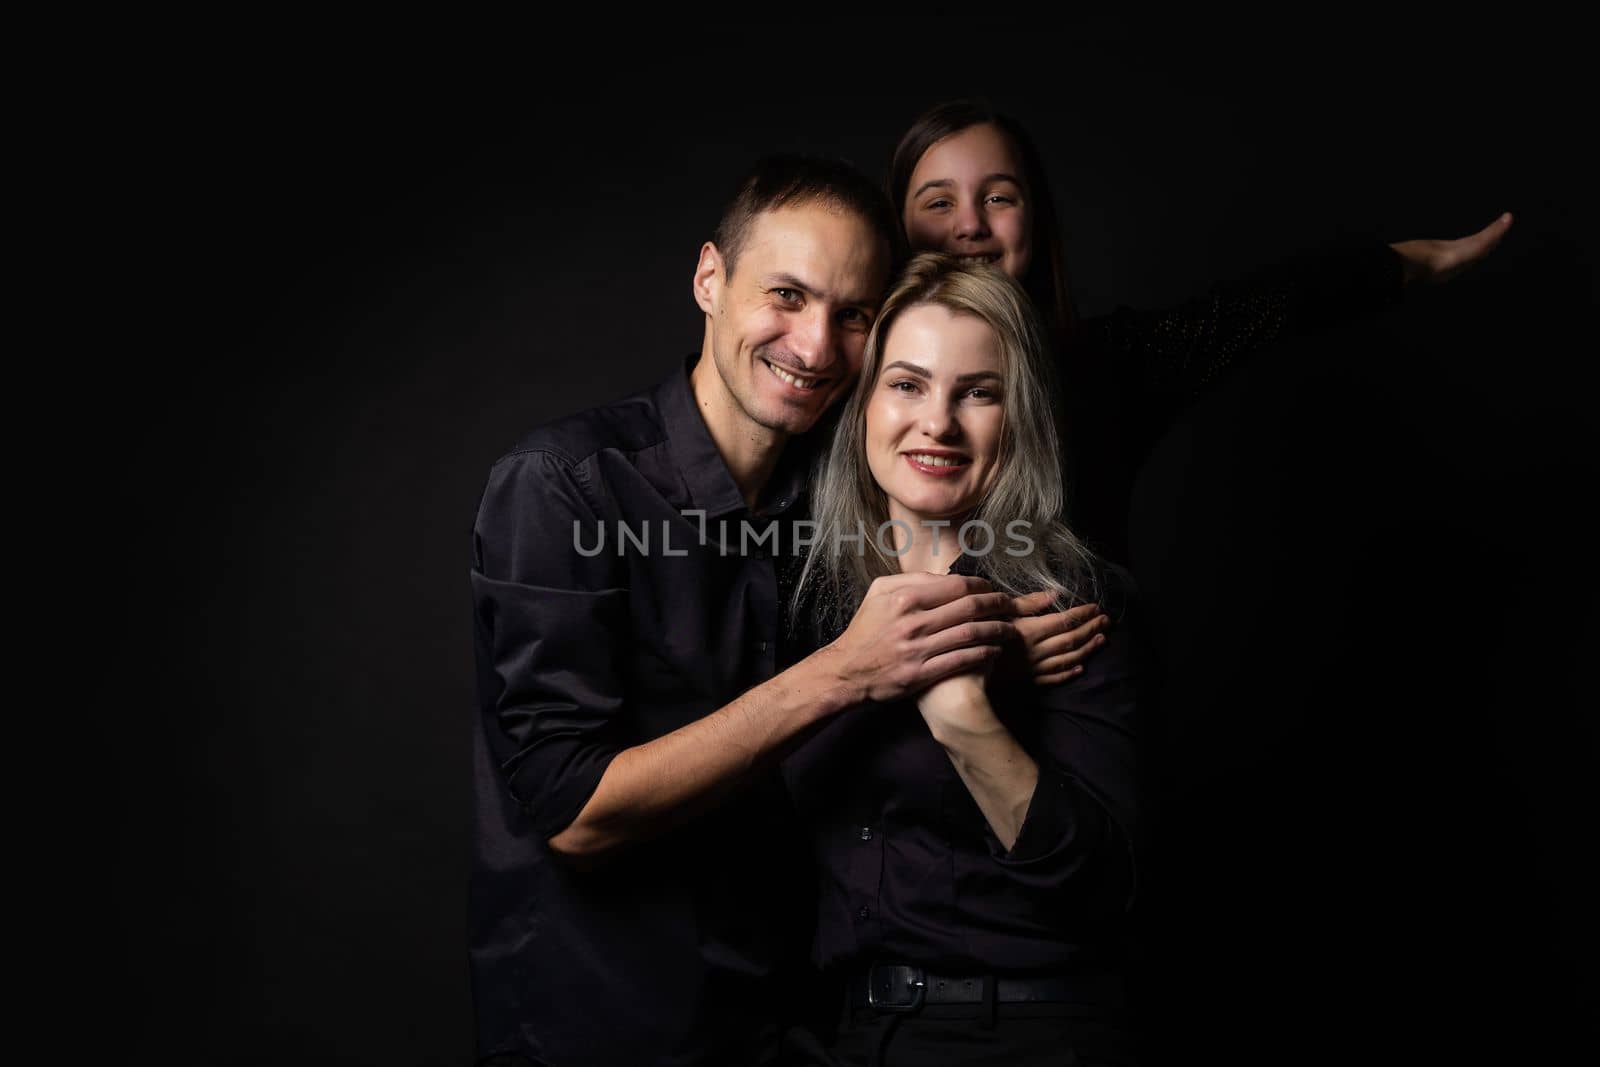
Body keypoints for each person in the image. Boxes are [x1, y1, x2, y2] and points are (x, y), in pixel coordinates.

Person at [469, 157, 1042, 1066]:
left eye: (852, 315)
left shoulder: (841, 496)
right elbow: (572, 810)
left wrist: (1000, 643)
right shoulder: (567, 485)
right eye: (786, 294)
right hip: (607, 1031)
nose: (815, 347)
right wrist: (846, 671)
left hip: (794, 1025)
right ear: (709, 280)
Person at [887, 100, 1513, 680]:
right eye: (939, 202)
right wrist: (977, 649)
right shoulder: (855, 375)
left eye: (999, 197)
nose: (970, 224)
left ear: (1036, 217)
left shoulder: (1108, 363)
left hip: (1088, 702)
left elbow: (1263, 307)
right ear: (897, 224)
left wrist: (1409, 262)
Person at [782, 253, 1144, 1065]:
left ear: (1019, 418)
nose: (937, 423)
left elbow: (1104, 887)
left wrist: (962, 712)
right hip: (848, 1036)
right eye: (907, 384)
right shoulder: (810, 604)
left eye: (978, 393)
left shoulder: (1071, 596)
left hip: (1027, 1034)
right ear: (863, 404)